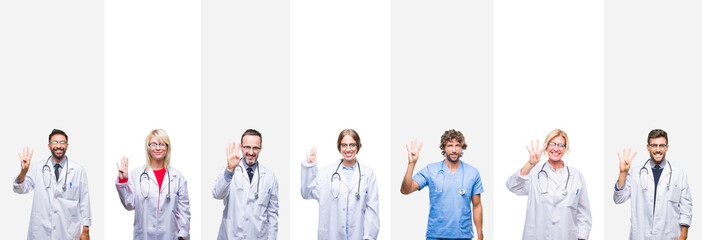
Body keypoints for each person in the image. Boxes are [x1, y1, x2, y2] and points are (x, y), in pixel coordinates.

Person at [506, 129, 591, 240]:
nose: (556, 148)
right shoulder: (533, 172)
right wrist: (530, 164)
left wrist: (582, 238)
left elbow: (583, 215)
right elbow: (512, 186)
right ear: (546, 147)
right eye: (552, 144)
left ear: (565, 149)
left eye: (561, 145)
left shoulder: (576, 176)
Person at [400, 129, 484, 240]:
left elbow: (477, 205)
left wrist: (480, 234)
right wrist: (411, 164)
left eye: (457, 145)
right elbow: (406, 190)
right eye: (450, 145)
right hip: (435, 235)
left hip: (463, 236)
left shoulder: (472, 172)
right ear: (443, 147)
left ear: (462, 147)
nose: (454, 150)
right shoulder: (431, 170)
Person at [300, 129, 380, 240]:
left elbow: (372, 210)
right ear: (339, 147)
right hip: (332, 235)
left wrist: (369, 237)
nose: (348, 149)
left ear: (358, 146)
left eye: (352, 145)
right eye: (344, 145)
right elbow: (306, 193)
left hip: (357, 235)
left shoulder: (368, 174)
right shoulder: (326, 173)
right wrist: (310, 166)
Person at [13, 129, 92, 239]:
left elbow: (84, 200)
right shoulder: (37, 168)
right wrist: (23, 172)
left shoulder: (78, 170)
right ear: (49, 146)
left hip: (68, 230)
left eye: (62, 142)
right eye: (54, 142)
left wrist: (86, 229)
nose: (58, 146)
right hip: (41, 231)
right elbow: (20, 189)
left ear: (67, 146)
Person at [613, 129, 692, 240]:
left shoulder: (679, 174)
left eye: (661, 145)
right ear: (648, 147)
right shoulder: (635, 173)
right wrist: (623, 173)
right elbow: (619, 199)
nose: (658, 150)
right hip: (641, 235)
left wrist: (683, 235)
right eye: (654, 145)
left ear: (667, 148)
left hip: (669, 235)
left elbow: (686, 207)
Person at [115, 129, 191, 240]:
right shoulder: (136, 175)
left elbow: (183, 210)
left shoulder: (178, 177)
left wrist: (183, 234)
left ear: (167, 147)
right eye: (154, 144)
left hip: (170, 235)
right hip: (144, 235)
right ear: (148, 147)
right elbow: (129, 204)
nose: (158, 148)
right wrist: (123, 181)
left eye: (162, 144)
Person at [212, 129, 279, 239]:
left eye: (255, 148)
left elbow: (272, 215)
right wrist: (229, 169)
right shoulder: (229, 171)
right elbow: (217, 194)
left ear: (260, 148)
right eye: (247, 147)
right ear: (241, 147)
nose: (251, 152)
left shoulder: (269, 177)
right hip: (231, 235)